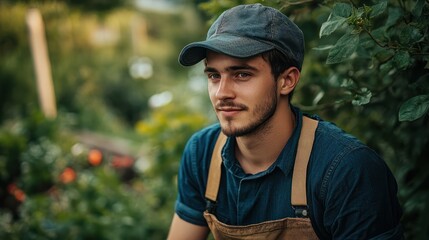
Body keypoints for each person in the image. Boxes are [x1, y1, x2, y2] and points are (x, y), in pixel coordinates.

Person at [167, 3, 403, 240]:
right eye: (214, 75)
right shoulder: (202, 153)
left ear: (287, 80)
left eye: (242, 74)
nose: (221, 93)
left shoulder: (347, 170)